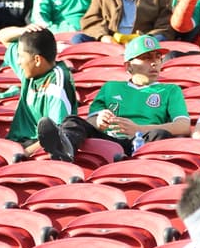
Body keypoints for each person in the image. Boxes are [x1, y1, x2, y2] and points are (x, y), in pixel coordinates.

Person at [39, 34, 189, 161]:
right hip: (111, 139)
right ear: (128, 66)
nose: (154, 63)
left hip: (143, 140)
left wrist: (139, 129)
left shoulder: (171, 90)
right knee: (73, 121)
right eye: (146, 58)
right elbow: (91, 121)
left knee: (161, 135)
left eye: (158, 57)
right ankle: (64, 149)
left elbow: (183, 125)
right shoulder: (110, 87)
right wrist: (99, 121)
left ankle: (136, 163)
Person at [2, 28, 77, 157]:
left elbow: (57, 135)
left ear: (37, 60)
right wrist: (23, 30)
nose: (18, 62)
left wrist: (24, 153)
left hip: (38, 147)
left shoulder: (57, 83)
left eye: (21, 57)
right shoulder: (29, 70)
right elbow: (3, 38)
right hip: (15, 143)